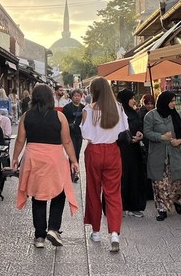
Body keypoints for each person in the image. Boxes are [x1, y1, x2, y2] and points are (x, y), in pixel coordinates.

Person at [12, 84, 79, 249]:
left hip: (33, 158)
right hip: (54, 158)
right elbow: (67, 141)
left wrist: (14, 158)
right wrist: (74, 160)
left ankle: (39, 236)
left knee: (37, 195)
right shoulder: (59, 116)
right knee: (60, 193)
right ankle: (54, 229)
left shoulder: (26, 116)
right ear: (50, 98)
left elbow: (20, 140)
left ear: (34, 98)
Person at [80, 77, 126, 253]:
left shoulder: (88, 110)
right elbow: (123, 130)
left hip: (94, 152)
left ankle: (96, 231)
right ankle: (114, 233)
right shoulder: (119, 108)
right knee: (113, 193)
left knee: (93, 190)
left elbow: (85, 134)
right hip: (113, 151)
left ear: (93, 92)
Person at [143, 91, 181, 221]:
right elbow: (147, 132)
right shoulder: (151, 116)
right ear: (164, 102)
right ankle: (162, 209)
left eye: (174, 100)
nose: (174, 103)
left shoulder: (177, 115)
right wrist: (161, 137)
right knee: (160, 184)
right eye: (171, 101)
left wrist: (180, 141)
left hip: (175, 154)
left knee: (179, 181)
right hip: (159, 155)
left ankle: (177, 202)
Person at [116, 89, 147, 218]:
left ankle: (134, 206)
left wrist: (140, 134)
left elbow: (139, 126)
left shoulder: (134, 112)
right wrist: (127, 138)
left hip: (135, 150)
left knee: (135, 176)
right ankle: (120, 206)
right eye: (131, 98)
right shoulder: (118, 113)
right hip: (122, 150)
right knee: (123, 177)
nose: (134, 101)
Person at [62, 88, 85, 182]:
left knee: (77, 153)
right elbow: (63, 120)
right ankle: (71, 172)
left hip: (79, 133)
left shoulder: (83, 108)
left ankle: (75, 171)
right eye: (75, 96)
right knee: (72, 152)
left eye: (78, 96)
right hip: (69, 133)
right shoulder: (67, 108)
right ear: (72, 97)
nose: (77, 98)